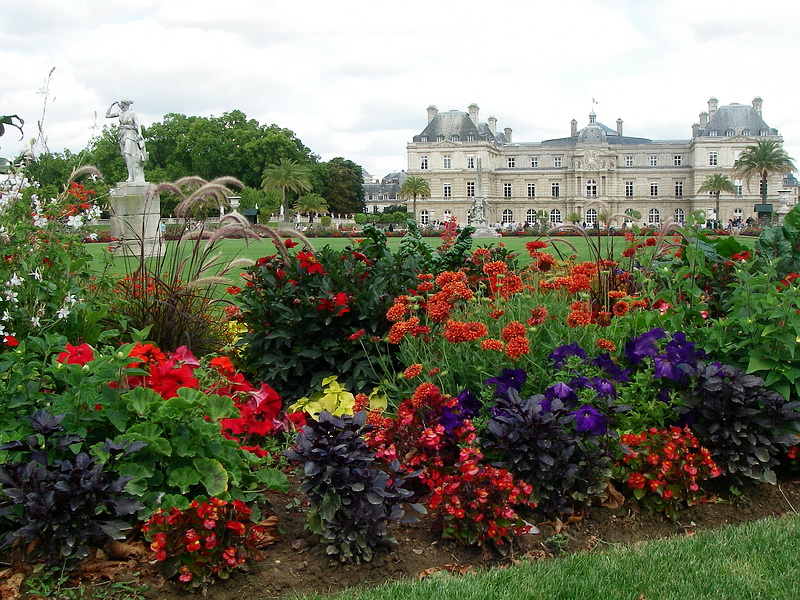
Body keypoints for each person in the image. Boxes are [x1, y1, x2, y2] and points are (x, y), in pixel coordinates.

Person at [106, 99, 148, 183]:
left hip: (130, 134)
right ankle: (131, 175)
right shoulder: (120, 113)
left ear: (126, 105)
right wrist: (111, 105)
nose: (122, 107)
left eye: (123, 105)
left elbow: (137, 124)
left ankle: (130, 176)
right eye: (121, 105)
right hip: (122, 134)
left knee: (127, 153)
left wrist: (140, 133)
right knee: (125, 156)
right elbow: (107, 115)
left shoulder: (132, 113)